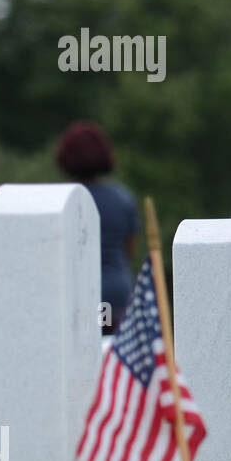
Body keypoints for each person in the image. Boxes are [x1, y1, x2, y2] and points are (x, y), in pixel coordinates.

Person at [54, 120, 140, 335]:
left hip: (74, 296)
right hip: (118, 296)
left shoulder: (57, 200)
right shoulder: (123, 198)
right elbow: (129, 252)